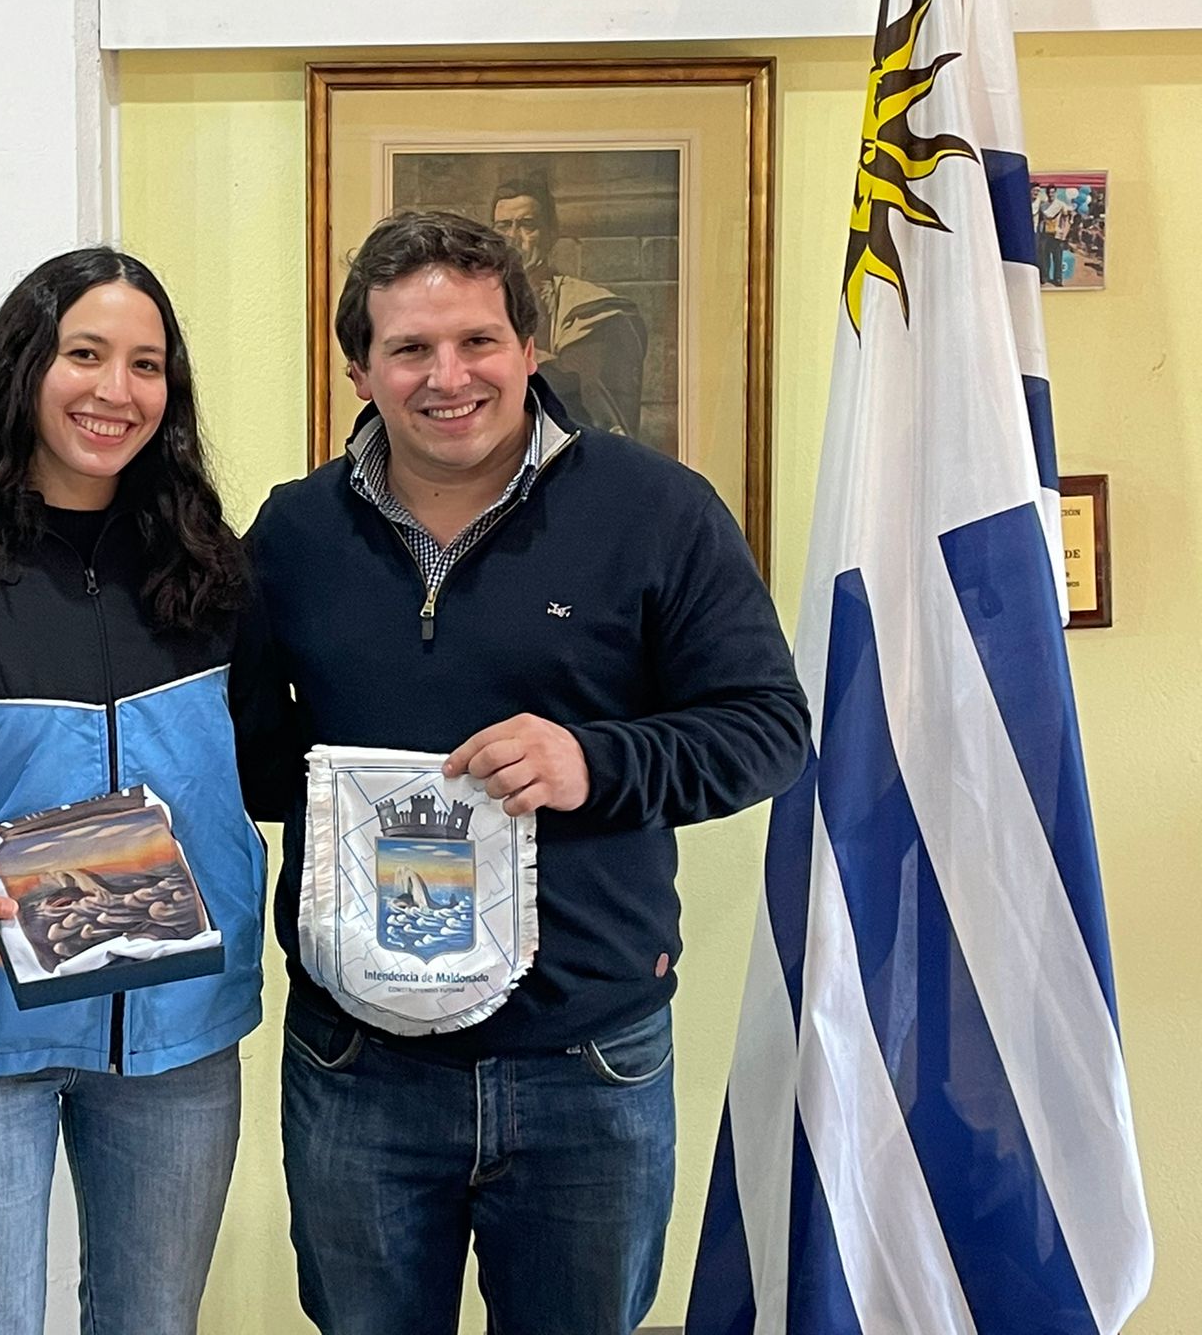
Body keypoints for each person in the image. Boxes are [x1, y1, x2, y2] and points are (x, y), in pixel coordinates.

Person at [234, 211, 809, 1335]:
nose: (447, 377)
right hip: (357, 1062)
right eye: (409, 348)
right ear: (359, 371)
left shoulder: (657, 511)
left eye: (477, 341)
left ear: (529, 348)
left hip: (585, 1062)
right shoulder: (294, 534)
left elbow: (768, 730)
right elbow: (254, 762)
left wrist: (595, 760)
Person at [0, 246, 265, 1335]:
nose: (115, 390)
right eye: (85, 354)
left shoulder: (206, 563)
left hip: (176, 1034)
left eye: (146, 365)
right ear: (24, 365)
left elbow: (264, 758)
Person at [489, 175, 650, 438]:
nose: (513, 238)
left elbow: (583, 391)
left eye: (527, 225)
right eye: (503, 226)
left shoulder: (588, 306)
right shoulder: (477, 300)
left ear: (551, 233)